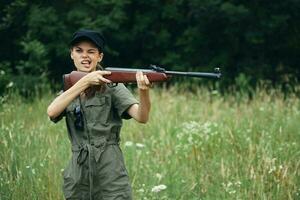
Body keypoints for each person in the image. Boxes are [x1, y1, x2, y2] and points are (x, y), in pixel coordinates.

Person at [47, 29, 151, 200]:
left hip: (109, 168)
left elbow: (142, 117)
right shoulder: (69, 90)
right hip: (78, 172)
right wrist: (85, 82)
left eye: (91, 51)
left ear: (100, 56)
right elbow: (51, 112)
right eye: (79, 50)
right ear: (71, 54)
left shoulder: (113, 86)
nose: (85, 56)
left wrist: (144, 92)